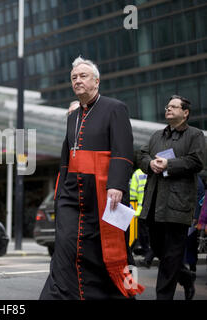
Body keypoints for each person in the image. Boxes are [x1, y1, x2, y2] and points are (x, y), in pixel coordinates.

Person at [40, 56, 144, 300]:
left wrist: (117, 184)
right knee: (65, 244)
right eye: (74, 77)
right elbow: (66, 157)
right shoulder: (73, 115)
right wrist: (60, 190)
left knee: (107, 250)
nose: (78, 80)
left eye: (83, 76)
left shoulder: (115, 108)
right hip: (71, 193)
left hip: (102, 192)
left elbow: (123, 149)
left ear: (96, 81)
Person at [139, 95, 206, 300]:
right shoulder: (156, 136)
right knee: (159, 249)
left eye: (174, 107)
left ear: (185, 113)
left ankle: (164, 297)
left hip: (177, 205)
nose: (168, 109)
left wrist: (170, 164)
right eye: (167, 106)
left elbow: (197, 161)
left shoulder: (195, 135)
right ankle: (186, 277)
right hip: (153, 203)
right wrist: (149, 163)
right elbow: (141, 155)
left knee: (171, 255)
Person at [130, 168, 155, 268]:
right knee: (152, 234)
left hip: (141, 209)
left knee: (142, 233)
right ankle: (148, 255)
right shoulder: (155, 171)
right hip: (153, 210)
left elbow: (133, 194)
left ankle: (147, 253)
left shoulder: (137, 173)